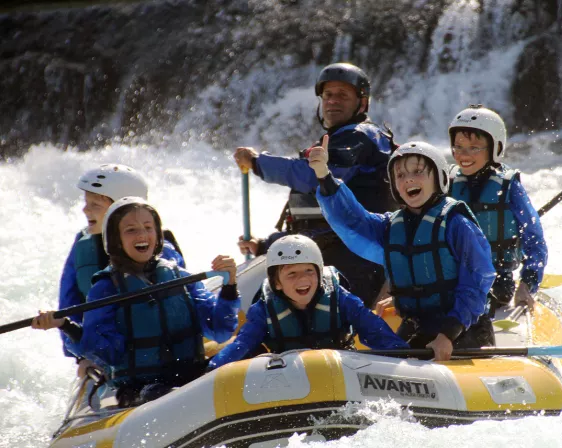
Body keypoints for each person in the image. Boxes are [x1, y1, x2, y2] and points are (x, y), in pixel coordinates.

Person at [309, 140, 496, 361]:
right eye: (400, 175)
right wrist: (324, 176)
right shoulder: (389, 226)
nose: (408, 179)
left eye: (418, 172)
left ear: (439, 178)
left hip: (463, 328)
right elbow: (353, 220)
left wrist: (448, 333)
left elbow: (476, 283)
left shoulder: (457, 224)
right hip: (419, 324)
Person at [234, 62, 398, 308]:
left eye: (342, 95)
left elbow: (315, 177)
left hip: (357, 258)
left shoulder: (362, 137)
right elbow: (317, 221)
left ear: (362, 103)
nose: (333, 101)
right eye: (328, 95)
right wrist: (267, 244)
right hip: (326, 253)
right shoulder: (334, 141)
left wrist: (258, 163)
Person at [76, 197, 239, 406]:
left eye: (148, 227)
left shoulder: (179, 276)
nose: (142, 235)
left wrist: (229, 287)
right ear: (116, 240)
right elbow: (108, 354)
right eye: (131, 230)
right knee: (158, 393)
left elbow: (221, 330)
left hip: (191, 376)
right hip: (140, 389)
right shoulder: (106, 288)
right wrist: (72, 331)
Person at [31, 164, 185, 376]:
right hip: (106, 351)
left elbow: (179, 303)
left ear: (121, 209)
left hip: (159, 353)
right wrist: (82, 357)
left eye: (95, 204)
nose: (85, 210)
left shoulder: (159, 248)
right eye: (86, 203)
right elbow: (70, 303)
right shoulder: (82, 245)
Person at [208, 235, 408, 369]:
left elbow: (374, 331)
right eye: (292, 274)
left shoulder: (341, 299)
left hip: (338, 370)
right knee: (252, 352)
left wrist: (406, 358)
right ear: (277, 283)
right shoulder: (263, 310)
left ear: (320, 274)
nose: (302, 280)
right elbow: (243, 344)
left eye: (309, 271)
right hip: (287, 376)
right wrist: (212, 371)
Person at [447, 105, 548, 312]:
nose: (463, 154)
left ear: (496, 148)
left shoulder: (508, 187)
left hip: (497, 283)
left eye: (474, 148)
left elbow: (534, 240)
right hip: (452, 282)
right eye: (458, 146)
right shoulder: (446, 183)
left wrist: (527, 284)